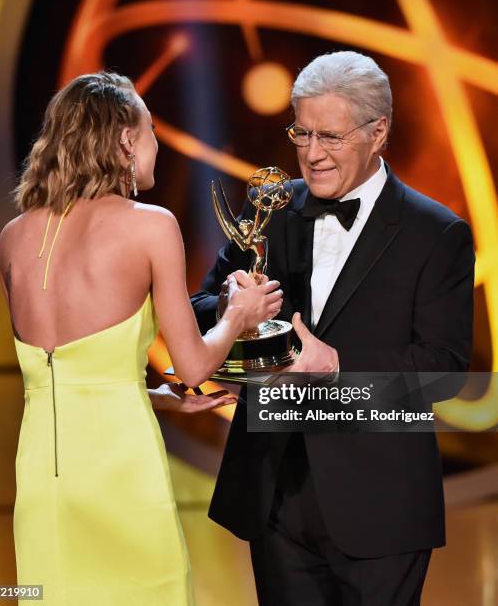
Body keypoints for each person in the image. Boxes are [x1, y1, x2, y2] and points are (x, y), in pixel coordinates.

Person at [191, 51, 475, 605]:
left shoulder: (436, 234)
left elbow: (443, 372)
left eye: (331, 137)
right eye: (301, 132)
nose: (311, 155)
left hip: (381, 505)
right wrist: (231, 306)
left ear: (379, 132)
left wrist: (336, 365)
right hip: (275, 494)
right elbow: (200, 305)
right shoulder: (269, 210)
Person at [0, 71, 283, 605]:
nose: (156, 142)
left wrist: (156, 397)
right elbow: (194, 366)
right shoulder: (150, 225)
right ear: (126, 139)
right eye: (151, 128)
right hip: (121, 477)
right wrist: (239, 315)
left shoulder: (14, 237)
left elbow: (65, 378)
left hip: (42, 482)